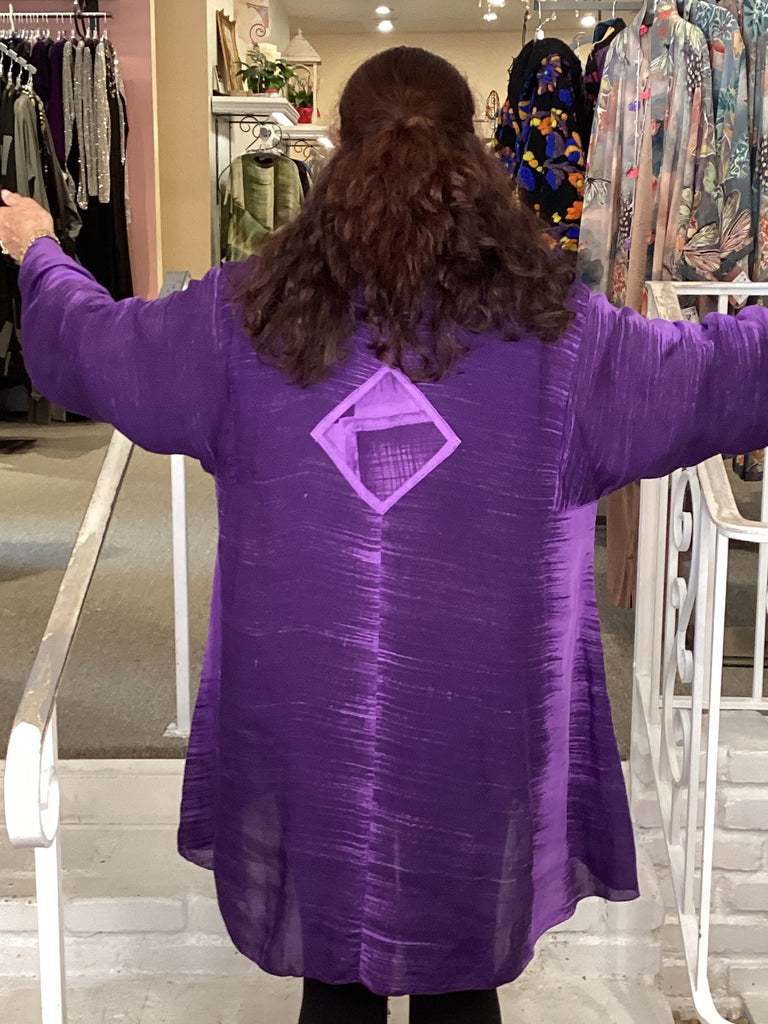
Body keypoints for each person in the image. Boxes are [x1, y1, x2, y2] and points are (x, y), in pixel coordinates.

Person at [1, 45, 767, 1024]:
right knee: (463, 989)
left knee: (334, 981)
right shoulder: (562, 340)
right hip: (479, 722)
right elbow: (719, 372)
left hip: (310, 711)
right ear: (475, 156)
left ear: (336, 151)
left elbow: (96, 346)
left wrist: (41, 250)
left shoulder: (245, 319)